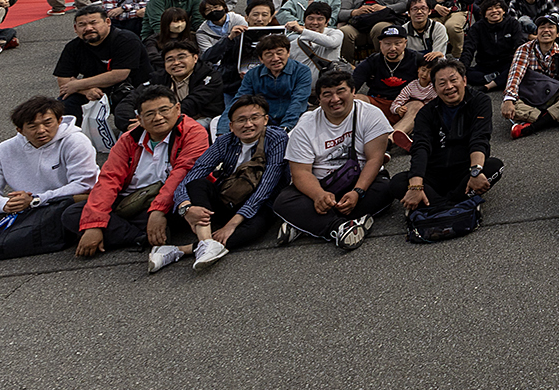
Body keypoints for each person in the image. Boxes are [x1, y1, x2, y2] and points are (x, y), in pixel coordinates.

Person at [67, 85, 212, 272]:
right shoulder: (128, 139)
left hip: (172, 199)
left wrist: (158, 211)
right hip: (132, 199)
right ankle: (142, 237)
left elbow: (182, 173)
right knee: (71, 214)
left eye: (164, 110)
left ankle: (125, 231)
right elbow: (109, 179)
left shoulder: (193, 132)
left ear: (177, 109)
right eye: (150, 114)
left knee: (168, 211)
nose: (158, 118)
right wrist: (94, 225)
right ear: (139, 119)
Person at [271, 67, 402, 250]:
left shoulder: (370, 114)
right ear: (319, 99)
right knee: (283, 202)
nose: (335, 99)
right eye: (327, 94)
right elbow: (300, 172)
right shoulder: (305, 124)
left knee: (386, 189)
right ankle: (341, 227)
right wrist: (318, 195)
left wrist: (357, 192)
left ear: (353, 91)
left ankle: (308, 224)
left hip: (360, 181)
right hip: (320, 185)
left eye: (341, 91)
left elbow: (375, 159)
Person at [0, 96, 98, 256]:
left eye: (48, 123)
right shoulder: (3, 150)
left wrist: (36, 200)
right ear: (20, 130)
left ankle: (4, 234)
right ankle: (31, 233)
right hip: (25, 209)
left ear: (59, 120)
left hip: (61, 202)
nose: (41, 130)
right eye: (32, 126)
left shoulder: (75, 141)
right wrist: (5, 204)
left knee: (85, 201)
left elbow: (84, 184)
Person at [170, 94, 289, 269]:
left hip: (260, 204)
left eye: (254, 118)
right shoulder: (224, 141)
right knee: (197, 184)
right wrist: (185, 207)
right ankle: (206, 244)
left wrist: (231, 225)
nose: (248, 124)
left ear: (265, 120)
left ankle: (181, 250)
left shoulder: (277, 138)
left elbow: (267, 186)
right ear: (231, 126)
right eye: (241, 120)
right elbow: (193, 175)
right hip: (228, 197)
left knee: (252, 230)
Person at [401, 59, 502, 221]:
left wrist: (475, 171)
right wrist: (416, 187)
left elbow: (479, 138)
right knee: (397, 183)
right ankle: (458, 205)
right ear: (434, 88)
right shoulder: (426, 113)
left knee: (495, 166)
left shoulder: (480, 101)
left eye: (453, 80)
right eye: (442, 83)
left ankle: (433, 207)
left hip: (465, 170)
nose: (449, 87)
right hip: (435, 174)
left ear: (464, 80)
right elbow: (420, 148)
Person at [53, 5, 147, 129]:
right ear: (75, 28)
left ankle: (134, 136)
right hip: (95, 89)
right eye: (82, 25)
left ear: (107, 22)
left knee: (124, 114)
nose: (88, 28)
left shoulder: (126, 40)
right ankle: (74, 136)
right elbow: (63, 80)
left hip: (133, 88)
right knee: (65, 103)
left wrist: (77, 84)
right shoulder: (73, 47)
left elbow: (119, 74)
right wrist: (85, 91)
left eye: (94, 23)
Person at [504, 15, 559, 137]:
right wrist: (509, 98)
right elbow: (515, 74)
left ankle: (531, 126)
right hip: (530, 96)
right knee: (509, 104)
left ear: (557, 33)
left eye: (550, 27)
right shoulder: (524, 49)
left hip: (554, 96)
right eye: (542, 27)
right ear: (537, 32)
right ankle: (555, 119)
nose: (546, 30)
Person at [229, 32, 313, 130]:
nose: (275, 58)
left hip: (295, 121)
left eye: (279, 53)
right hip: (263, 121)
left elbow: (299, 101)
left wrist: (285, 128)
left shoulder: (302, 71)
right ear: (261, 59)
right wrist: (223, 130)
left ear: (288, 53)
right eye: (269, 55)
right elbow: (239, 100)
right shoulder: (252, 74)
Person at [148, 38, 230, 121]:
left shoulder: (209, 76)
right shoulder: (159, 77)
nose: (176, 63)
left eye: (181, 57)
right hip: (169, 117)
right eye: (170, 60)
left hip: (204, 118)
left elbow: (193, 103)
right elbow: (143, 96)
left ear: (195, 58)